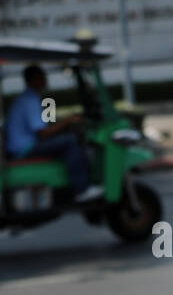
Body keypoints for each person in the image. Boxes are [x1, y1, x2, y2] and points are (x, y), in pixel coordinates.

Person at [4, 64, 101, 202]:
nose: (45, 80)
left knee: (67, 139)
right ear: (34, 79)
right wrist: (68, 120)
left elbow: (44, 127)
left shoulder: (28, 98)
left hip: (25, 145)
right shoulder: (29, 100)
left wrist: (65, 122)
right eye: (42, 77)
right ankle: (81, 189)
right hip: (25, 148)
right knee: (70, 141)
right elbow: (43, 133)